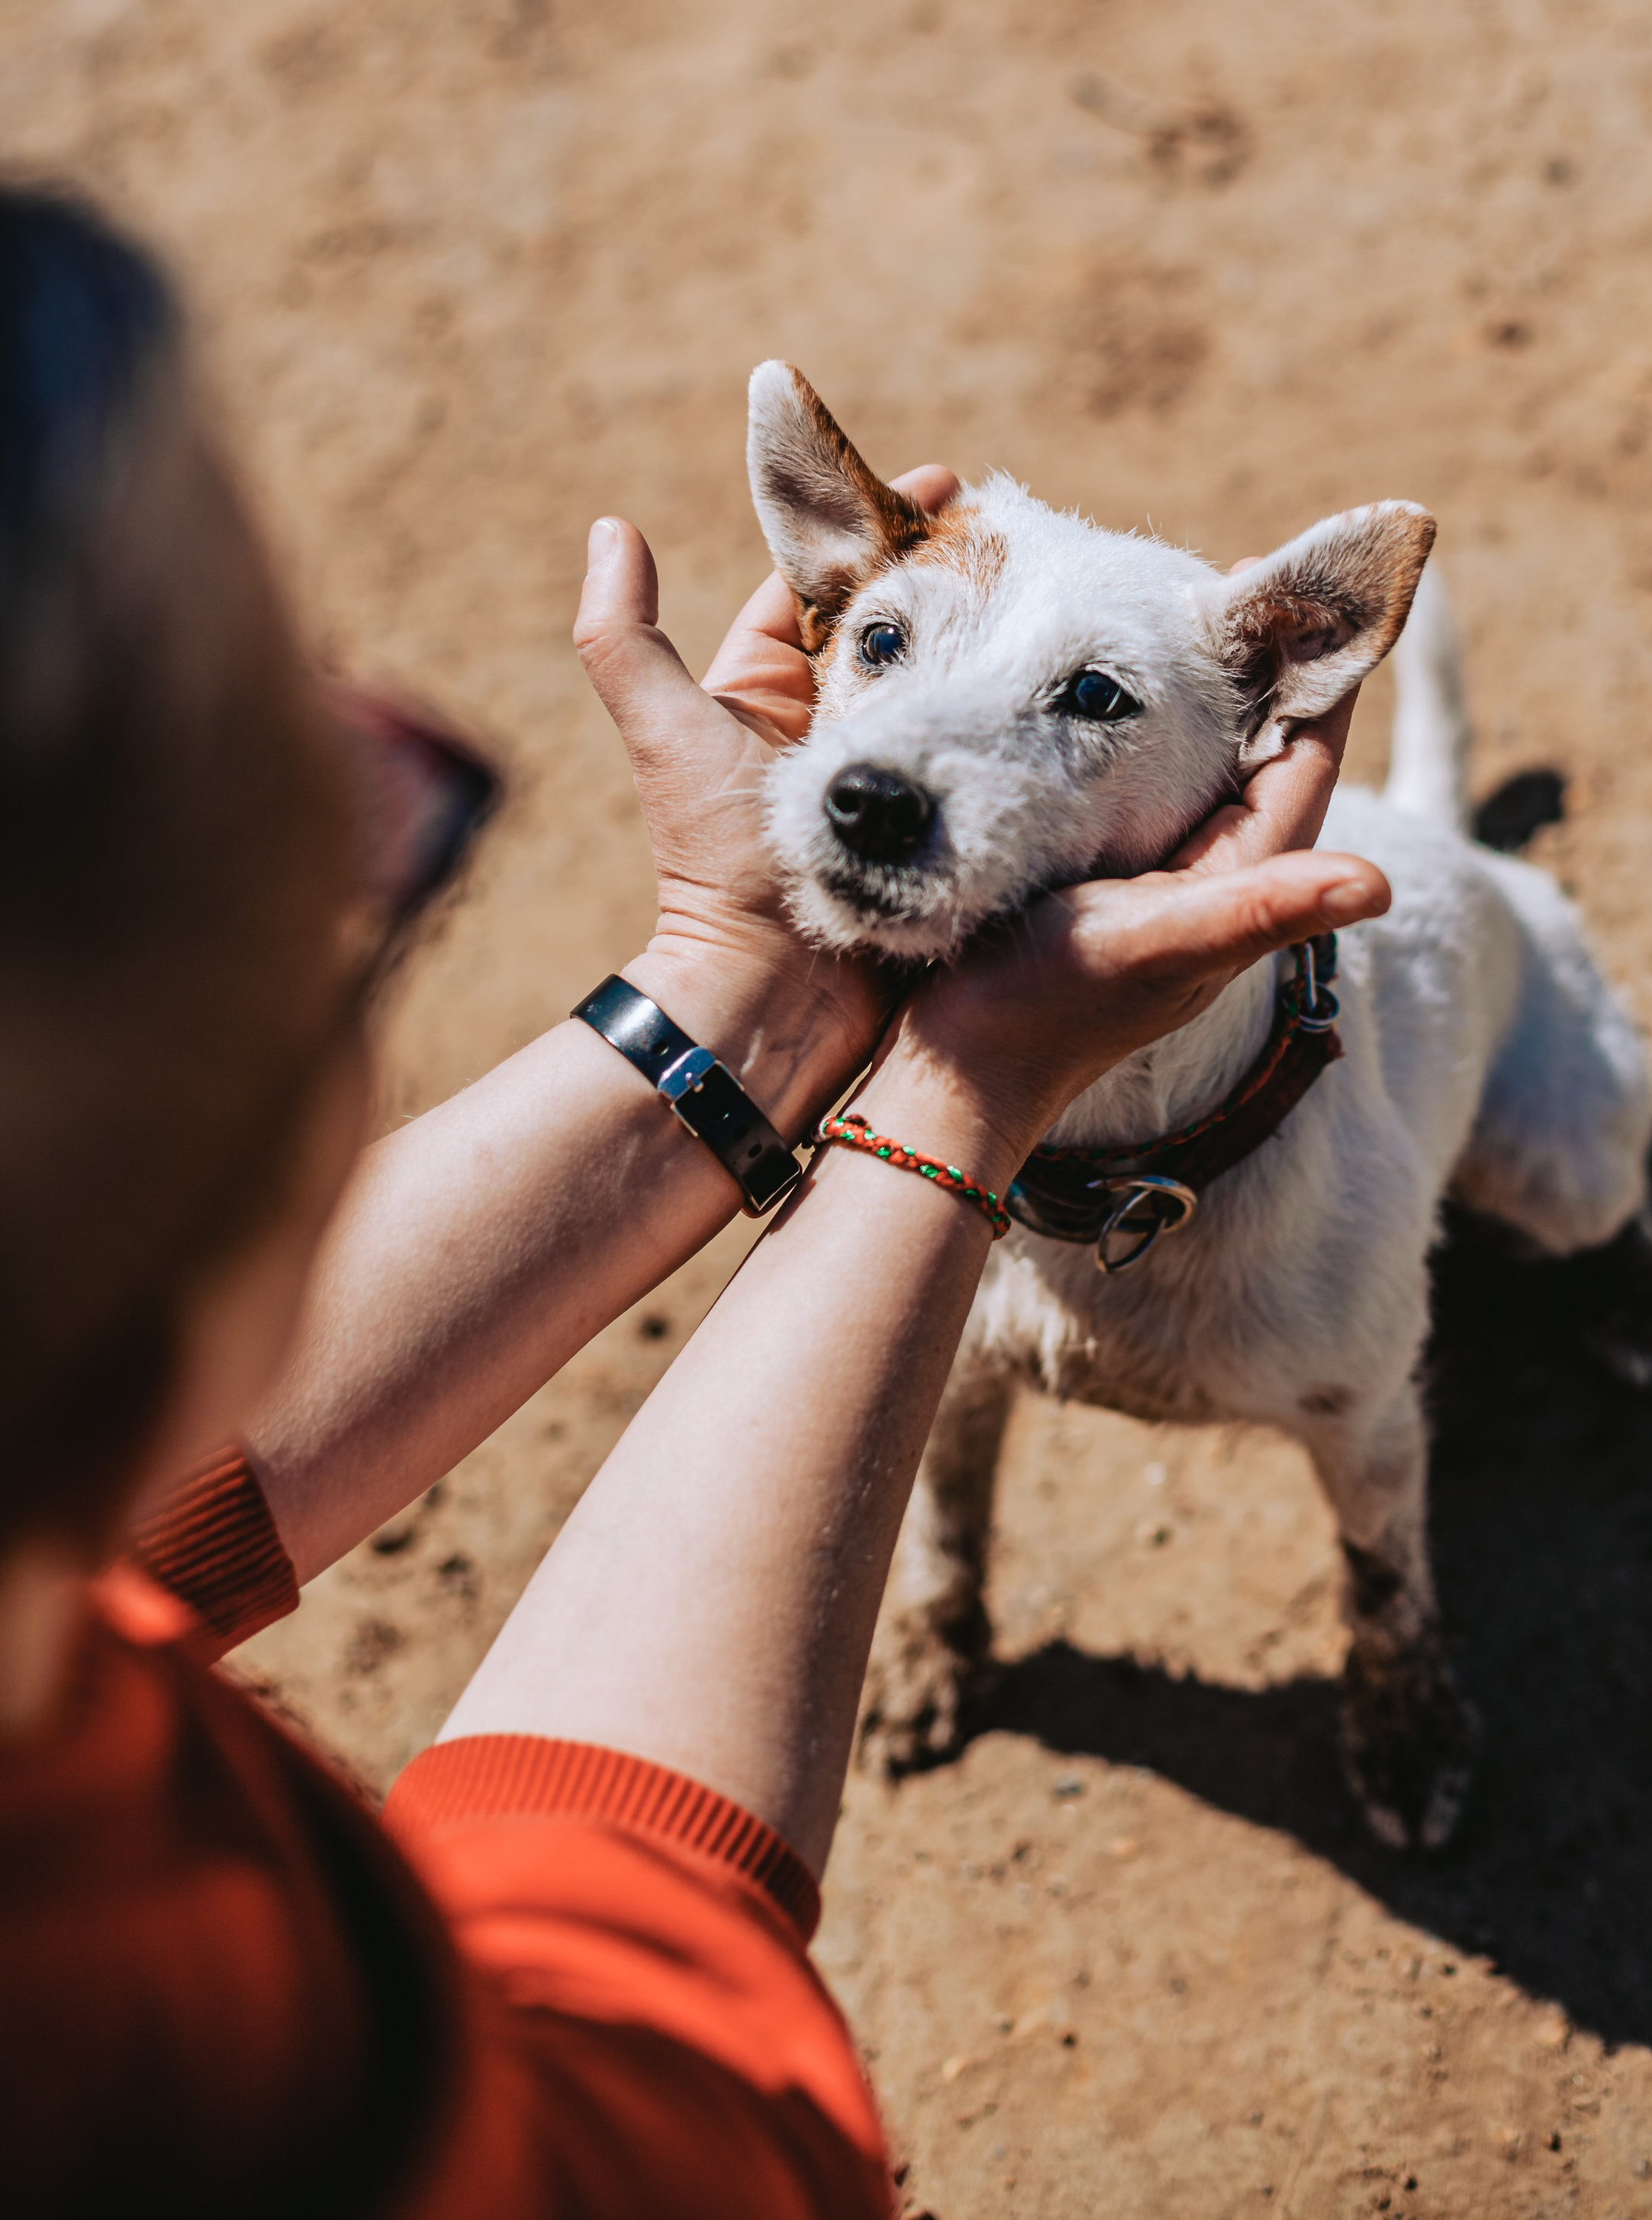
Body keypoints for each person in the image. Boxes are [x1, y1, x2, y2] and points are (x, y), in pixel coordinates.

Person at [0, 186, 1389, 2217]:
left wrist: (738, 986)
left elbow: (124, 1532)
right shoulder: (189, 2059)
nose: (381, 806)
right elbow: (670, 2115)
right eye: (358, 818)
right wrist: (956, 1087)